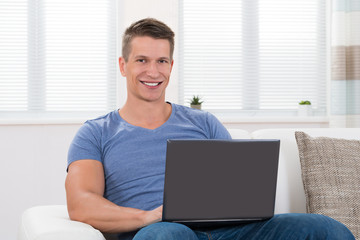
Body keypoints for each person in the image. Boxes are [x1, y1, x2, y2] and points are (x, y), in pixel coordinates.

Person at [66, 18, 355, 240]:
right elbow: (81, 204)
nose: (152, 72)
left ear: (171, 65)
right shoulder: (96, 133)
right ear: (123, 65)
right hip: (162, 232)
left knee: (324, 227)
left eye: (161, 61)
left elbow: (238, 190)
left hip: (231, 231)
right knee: (164, 234)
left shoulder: (203, 123)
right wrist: (148, 217)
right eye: (142, 60)